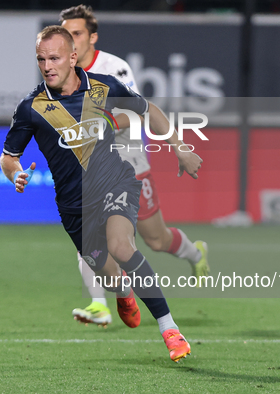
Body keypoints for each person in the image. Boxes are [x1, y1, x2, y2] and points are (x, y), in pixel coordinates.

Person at [0, 25, 203, 362]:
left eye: (54, 57)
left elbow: (147, 109)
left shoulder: (102, 87)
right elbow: (9, 156)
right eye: (41, 59)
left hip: (115, 182)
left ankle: (170, 329)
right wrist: (16, 175)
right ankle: (123, 291)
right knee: (107, 272)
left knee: (123, 247)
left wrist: (180, 147)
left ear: (72, 57)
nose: (47, 65)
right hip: (74, 205)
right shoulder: (31, 107)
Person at [59, 5, 209, 327]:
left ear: (92, 37)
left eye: (76, 33)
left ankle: (196, 253)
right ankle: (99, 304)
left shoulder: (115, 68)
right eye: (65, 34)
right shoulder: (60, 73)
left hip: (129, 160)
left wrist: (103, 122)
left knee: (156, 239)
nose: (69, 40)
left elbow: (138, 114)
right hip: (93, 169)